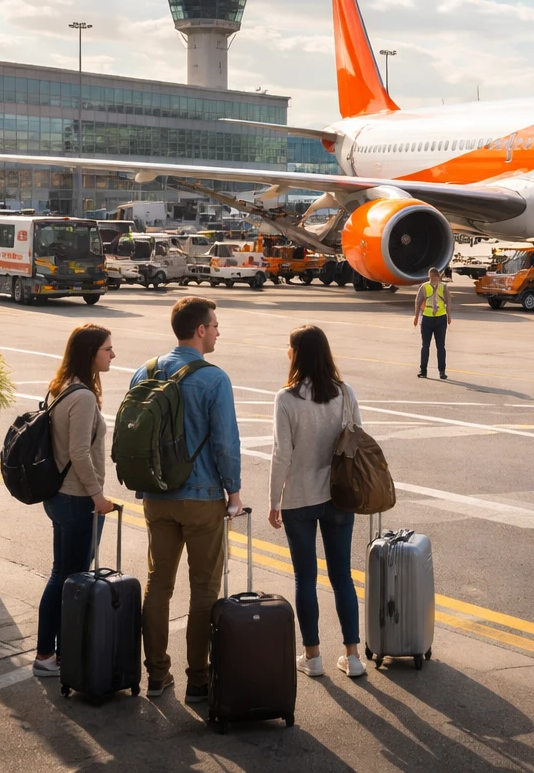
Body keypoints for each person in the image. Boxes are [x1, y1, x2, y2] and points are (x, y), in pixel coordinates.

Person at [131, 297, 243, 702]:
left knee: (157, 585)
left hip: (156, 496)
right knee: (204, 591)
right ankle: (198, 679)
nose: (217, 332)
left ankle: (157, 676)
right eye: (214, 325)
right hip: (201, 497)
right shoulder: (214, 379)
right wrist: (234, 491)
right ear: (199, 330)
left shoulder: (142, 372)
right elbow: (225, 443)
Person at [268, 325, 366, 679]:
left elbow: (282, 454)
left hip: (299, 497)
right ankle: (353, 655)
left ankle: (313, 657)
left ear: (298, 354)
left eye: (289, 348)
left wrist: (274, 499)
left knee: (305, 578)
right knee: (342, 576)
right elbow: (357, 440)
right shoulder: (344, 392)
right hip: (339, 495)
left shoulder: (287, 398)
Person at [34, 325, 116, 678]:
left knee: (61, 574)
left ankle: (52, 652)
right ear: (90, 354)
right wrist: (97, 496)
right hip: (76, 498)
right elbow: (80, 452)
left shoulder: (60, 386)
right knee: (69, 578)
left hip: (60, 495)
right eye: (107, 349)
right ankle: (48, 655)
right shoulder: (82, 396)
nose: (113, 355)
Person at [413, 267, 452, 379]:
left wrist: (449, 316)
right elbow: (418, 301)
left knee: (441, 346)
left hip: (440, 318)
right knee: (425, 346)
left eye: (434, 277)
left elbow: (448, 301)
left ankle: (442, 371)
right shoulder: (424, 287)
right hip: (427, 319)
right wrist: (416, 317)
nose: (432, 279)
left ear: (436, 276)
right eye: (431, 277)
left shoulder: (443, 287)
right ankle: (423, 370)